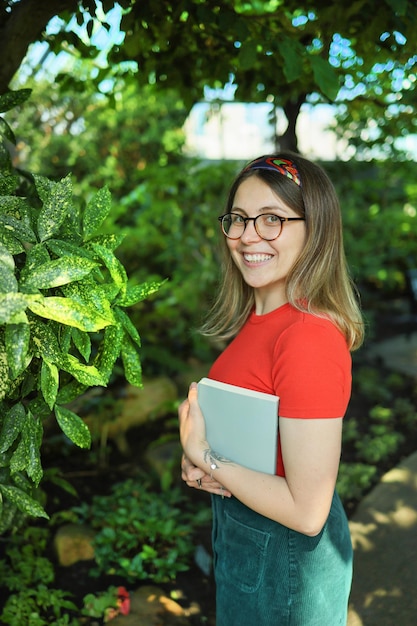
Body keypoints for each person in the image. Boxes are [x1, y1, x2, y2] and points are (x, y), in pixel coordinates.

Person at [178, 153, 364, 626]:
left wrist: (206, 456)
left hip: (286, 563)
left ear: (314, 229)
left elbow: (307, 511)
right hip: (252, 544)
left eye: (272, 219)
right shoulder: (262, 319)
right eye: (238, 219)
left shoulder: (307, 338)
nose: (247, 235)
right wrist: (204, 460)